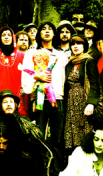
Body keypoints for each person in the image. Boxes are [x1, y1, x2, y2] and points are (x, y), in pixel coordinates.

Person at [21, 21, 68, 167]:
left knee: (58, 137)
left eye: (50, 29)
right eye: (43, 29)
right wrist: (37, 76)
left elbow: (65, 78)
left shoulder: (61, 55)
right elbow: (25, 76)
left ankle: (57, 171)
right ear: (39, 33)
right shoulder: (31, 53)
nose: (47, 31)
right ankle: (39, 170)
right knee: (38, 135)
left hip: (58, 98)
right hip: (40, 99)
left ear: (54, 33)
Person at [64, 34, 101, 153]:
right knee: (72, 133)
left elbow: (95, 84)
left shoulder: (89, 61)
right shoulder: (69, 64)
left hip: (84, 101)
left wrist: (91, 103)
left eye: (79, 43)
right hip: (70, 102)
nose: (75, 46)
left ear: (84, 46)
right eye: (73, 44)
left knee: (85, 132)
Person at [0, 26, 28, 121]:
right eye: (3, 35)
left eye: (9, 35)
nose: (6, 37)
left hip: (20, 98)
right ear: (0, 39)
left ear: (13, 38)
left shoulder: (23, 58)